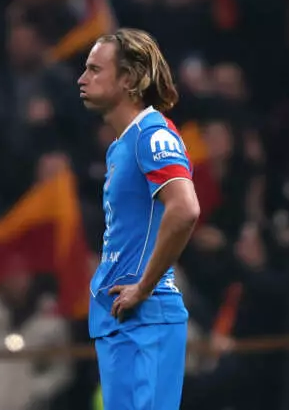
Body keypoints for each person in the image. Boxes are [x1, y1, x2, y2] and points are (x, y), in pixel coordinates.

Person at [77, 28, 202, 410]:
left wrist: (144, 286)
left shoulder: (152, 133)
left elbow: (185, 209)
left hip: (145, 318)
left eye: (95, 70)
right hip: (122, 318)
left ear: (129, 79)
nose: (82, 79)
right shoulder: (122, 145)